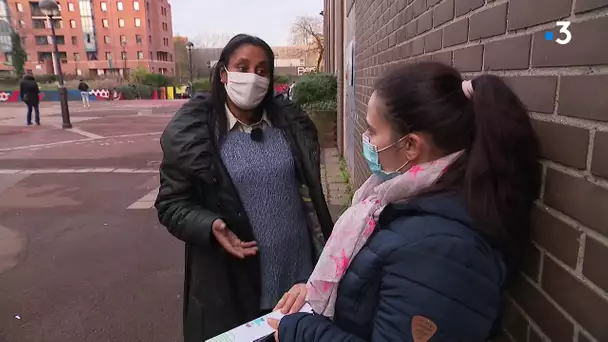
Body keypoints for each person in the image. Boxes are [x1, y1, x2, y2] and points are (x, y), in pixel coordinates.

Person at [268, 62, 542, 341]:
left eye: (372, 131)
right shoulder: (402, 200)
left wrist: (300, 331)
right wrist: (317, 296)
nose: (367, 140)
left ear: (410, 145)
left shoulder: (443, 250)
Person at [154, 34, 334, 341]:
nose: (253, 77)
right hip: (233, 285)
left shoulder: (290, 126)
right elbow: (170, 204)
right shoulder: (194, 136)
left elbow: (307, 197)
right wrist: (209, 225)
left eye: (262, 70)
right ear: (223, 74)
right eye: (243, 67)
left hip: (298, 277)